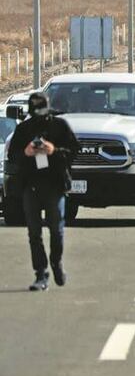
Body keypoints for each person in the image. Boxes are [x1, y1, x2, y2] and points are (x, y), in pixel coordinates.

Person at [8, 92, 79, 291]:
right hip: (30, 185)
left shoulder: (59, 126)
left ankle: (56, 262)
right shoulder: (23, 130)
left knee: (56, 229)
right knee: (34, 232)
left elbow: (74, 150)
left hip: (55, 185)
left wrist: (53, 150)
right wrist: (26, 152)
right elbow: (13, 155)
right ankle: (41, 273)